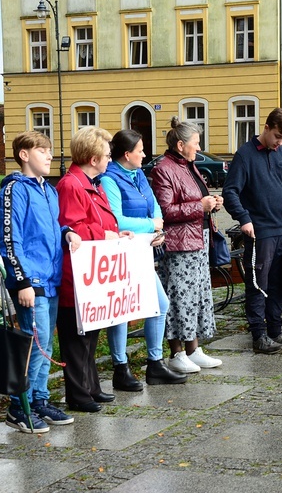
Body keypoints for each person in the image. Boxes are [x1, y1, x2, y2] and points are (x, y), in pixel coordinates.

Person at [0, 130, 81, 432]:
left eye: (49, 150)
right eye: (42, 150)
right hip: (32, 280)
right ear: (24, 154)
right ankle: (20, 406)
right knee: (36, 343)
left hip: (52, 278)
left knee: (45, 344)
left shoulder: (49, 189)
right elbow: (8, 238)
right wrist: (21, 282)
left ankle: (39, 399)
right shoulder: (14, 190)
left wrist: (67, 231)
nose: (49, 155)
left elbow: (53, 224)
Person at [100, 130, 189, 387]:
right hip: (120, 253)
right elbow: (116, 219)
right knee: (121, 311)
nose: (144, 154)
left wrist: (158, 228)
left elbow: (154, 205)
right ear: (126, 154)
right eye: (140, 150)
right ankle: (120, 367)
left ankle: (155, 364)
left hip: (142, 252)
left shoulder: (138, 174)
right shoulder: (110, 179)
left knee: (159, 304)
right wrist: (151, 225)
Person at [56, 126, 131, 412]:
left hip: (91, 273)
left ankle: (91, 386)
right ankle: (78, 393)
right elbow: (70, 228)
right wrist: (104, 233)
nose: (110, 159)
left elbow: (100, 224)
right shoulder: (72, 184)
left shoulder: (93, 183)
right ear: (93, 156)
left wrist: (115, 234)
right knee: (76, 339)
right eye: (107, 154)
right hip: (75, 274)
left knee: (90, 335)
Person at [222, 108, 282, 355]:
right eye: (277, 136)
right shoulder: (245, 155)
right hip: (259, 232)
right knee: (258, 285)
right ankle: (259, 335)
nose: (280, 142)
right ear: (266, 128)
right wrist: (244, 219)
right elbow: (230, 192)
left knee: (280, 284)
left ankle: (276, 331)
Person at [150, 117, 223, 374]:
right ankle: (177, 352)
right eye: (196, 143)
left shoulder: (188, 165)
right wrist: (199, 206)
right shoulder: (164, 169)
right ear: (181, 144)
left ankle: (193, 348)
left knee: (197, 297)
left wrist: (211, 202)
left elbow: (194, 199)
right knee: (180, 298)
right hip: (179, 244)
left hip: (198, 239)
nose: (199, 148)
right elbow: (166, 211)